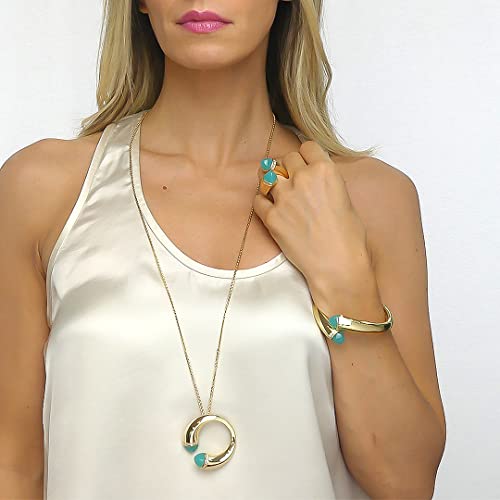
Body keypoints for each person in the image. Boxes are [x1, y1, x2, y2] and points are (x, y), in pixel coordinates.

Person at [0, 0, 447, 499]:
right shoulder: (44, 189)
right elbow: (13, 467)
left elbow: (406, 484)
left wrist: (343, 277)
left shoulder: (369, 199)